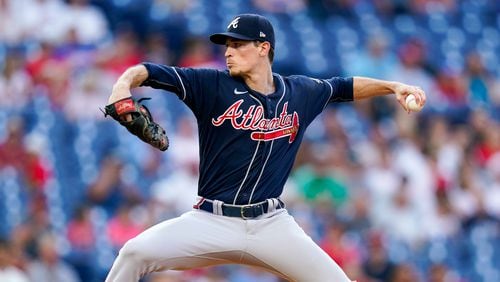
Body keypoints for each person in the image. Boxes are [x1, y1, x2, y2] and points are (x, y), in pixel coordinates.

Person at [104, 13, 426, 282]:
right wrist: (122, 85)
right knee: (134, 254)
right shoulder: (212, 86)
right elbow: (151, 72)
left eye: (237, 44)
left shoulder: (300, 92)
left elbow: (343, 87)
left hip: (271, 224)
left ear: (263, 48)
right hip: (210, 220)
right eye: (227, 45)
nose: (228, 52)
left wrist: (393, 86)